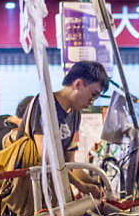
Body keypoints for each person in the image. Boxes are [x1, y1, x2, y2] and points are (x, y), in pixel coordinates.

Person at [16, 62, 107, 201]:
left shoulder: (76, 114)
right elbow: (46, 157)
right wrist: (81, 185)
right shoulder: (44, 104)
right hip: (29, 190)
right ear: (78, 84)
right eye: (93, 94)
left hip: (52, 189)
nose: (92, 102)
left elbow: (70, 163)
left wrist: (93, 183)